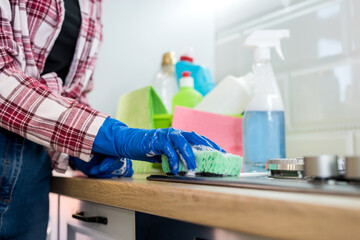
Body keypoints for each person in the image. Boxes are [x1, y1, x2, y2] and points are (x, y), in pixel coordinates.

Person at [0, 0, 224, 239]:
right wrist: (113, 135)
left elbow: (74, 93)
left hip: (33, 171)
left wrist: (83, 151)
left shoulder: (93, 5)